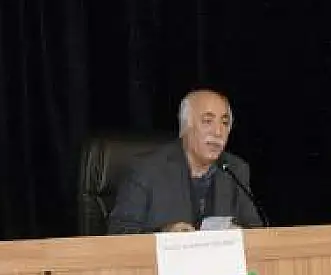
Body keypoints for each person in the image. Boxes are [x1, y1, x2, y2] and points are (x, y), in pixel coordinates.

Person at [107, 89, 264, 234]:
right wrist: (164, 235)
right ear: (185, 127)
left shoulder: (235, 169)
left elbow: (256, 232)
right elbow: (119, 233)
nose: (218, 132)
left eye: (224, 123)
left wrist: (238, 233)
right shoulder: (146, 169)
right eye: (207, 121)